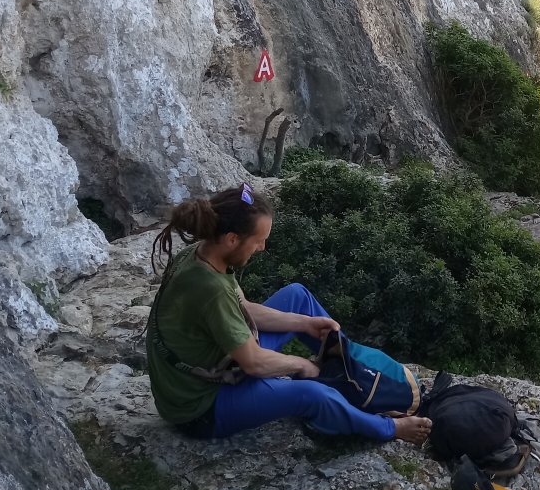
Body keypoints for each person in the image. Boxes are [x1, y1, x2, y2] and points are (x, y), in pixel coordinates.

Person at [145, 182, 432, 444]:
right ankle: (389, 428)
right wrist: (300, 365)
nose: (262, 247)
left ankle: (352, 374)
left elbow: (243, 309)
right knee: (311, 394)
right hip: (200, 406)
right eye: (258, 240)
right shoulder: (211, 288)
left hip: (214, 366)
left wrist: (304, 323)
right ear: (232, 238)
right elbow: (253, 363)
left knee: (297, 296)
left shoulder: (203, 254)